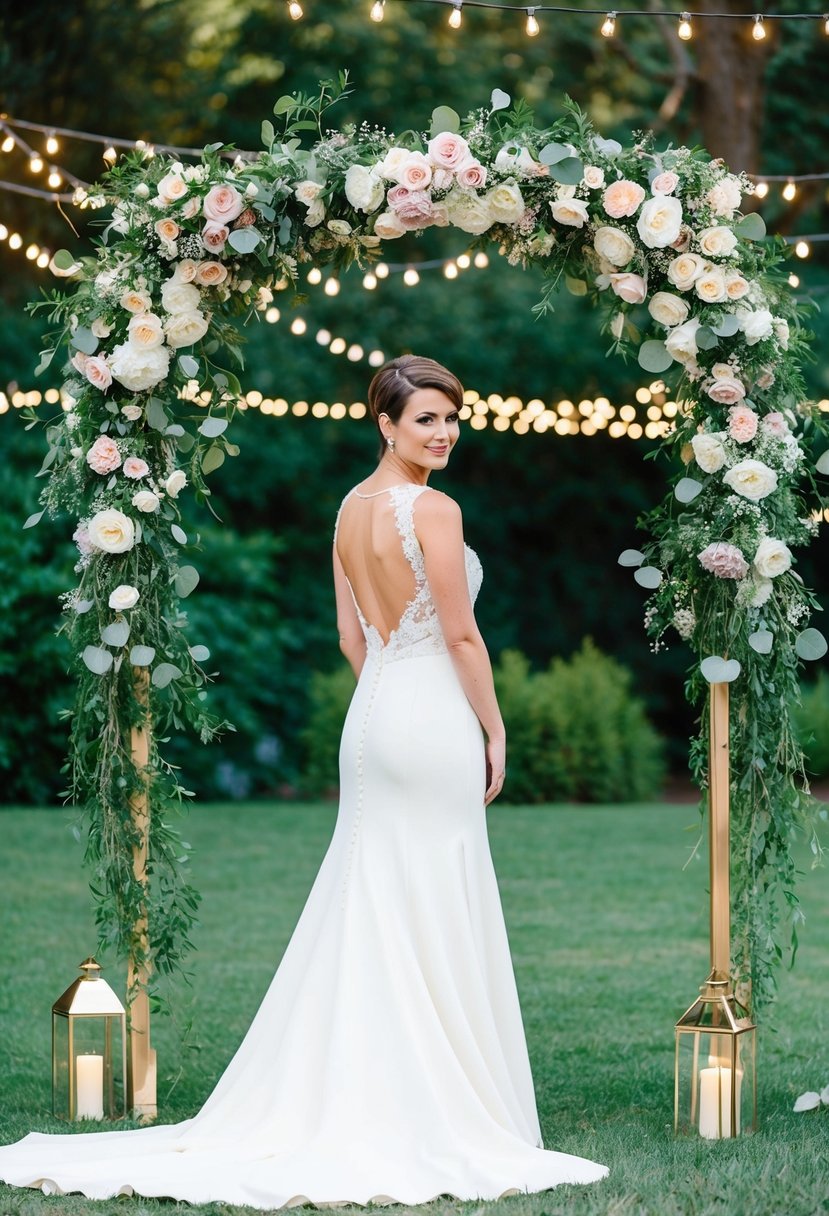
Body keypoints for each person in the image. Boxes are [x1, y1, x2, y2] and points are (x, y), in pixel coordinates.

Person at [0, 355, 607, 1207]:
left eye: (450, 417)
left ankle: (369, 1088)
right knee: (427, 894)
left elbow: (351, 639)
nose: (442, 433)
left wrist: (389, 702)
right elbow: (463, 639)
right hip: (428, 715)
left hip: (377, 711)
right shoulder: (432, 508)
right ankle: (428, 1103)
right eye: (425, 418)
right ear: (385, 424)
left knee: (373, 897)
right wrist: (492, 727)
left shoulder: (349, 511)